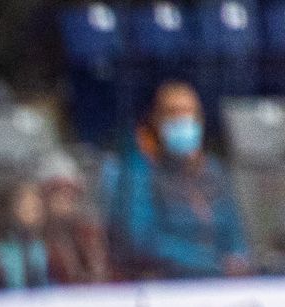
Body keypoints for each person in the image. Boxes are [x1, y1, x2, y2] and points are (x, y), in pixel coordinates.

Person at [100, 81, 251, 281]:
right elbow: (144, 241)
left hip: (221, 284)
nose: (183, 120)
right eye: (173, 112)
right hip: (165, 285)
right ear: (155, 119)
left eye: (190, 113)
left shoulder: (213, 170)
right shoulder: (138, 171)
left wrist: (239, 257)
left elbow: (234, 231)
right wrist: (213, 264)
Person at [36, 152, 110, 286]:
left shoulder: (88, 234)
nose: (67, 199)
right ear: (44, 197)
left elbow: (104, 277)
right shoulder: (37, 239)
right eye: (59, 192)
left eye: (71, 193)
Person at [0, 178, 52, 289]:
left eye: (36, 205)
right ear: (9, 207)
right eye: (27, 205)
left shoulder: (37, 246)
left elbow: (43, 285)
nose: (35, 210)